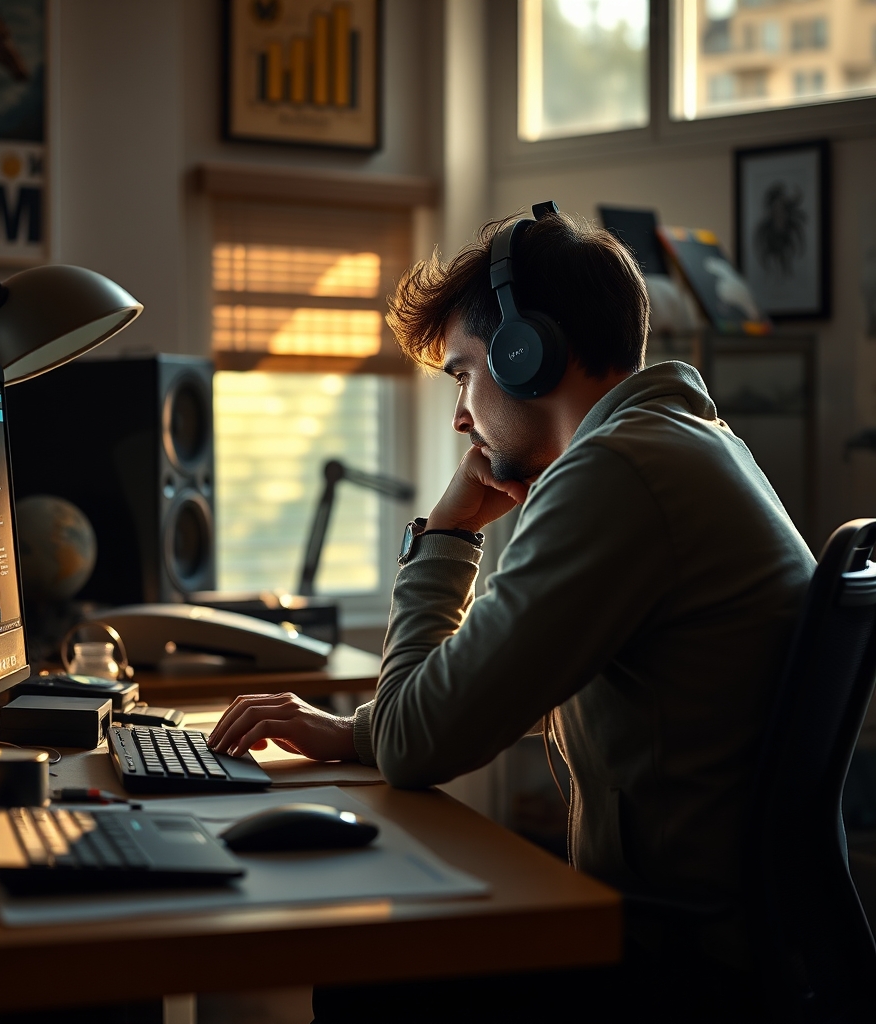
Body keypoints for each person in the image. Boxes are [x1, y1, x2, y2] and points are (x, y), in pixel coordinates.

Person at [208, 209, 816, 1020]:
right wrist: (355, 731)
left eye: (463, 374)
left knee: (369, 958)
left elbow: (420, 745)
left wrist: (448, 535)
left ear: (525, 356)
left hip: (674, 967)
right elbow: (496, 686)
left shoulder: (619, 473)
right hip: (738, 943)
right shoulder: (686, 442)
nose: (461, 415)